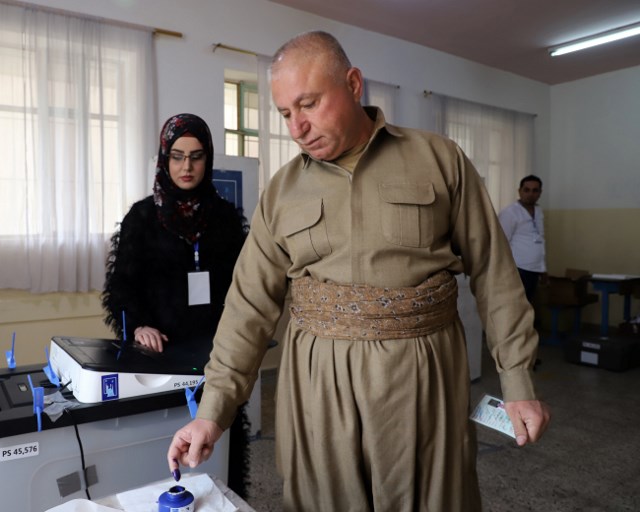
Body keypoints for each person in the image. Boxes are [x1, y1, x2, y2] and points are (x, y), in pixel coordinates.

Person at [167, 31, 550, 511]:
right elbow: (248, 304)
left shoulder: (438, 159)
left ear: (352, 84)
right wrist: (212, 412)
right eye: (286, 113)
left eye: (308, 104)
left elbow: (494, 271)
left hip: (423, 378)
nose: (297, 127)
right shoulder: (282, 192)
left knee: (432, 498)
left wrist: (517, 382)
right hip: (318, 386)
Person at [101, 113, 250, 495]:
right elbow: (120, 286)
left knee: (220, 440)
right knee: (163, 443)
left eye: (197, 156)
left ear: (209, 159)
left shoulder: (225, 218)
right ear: (164, 159)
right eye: (178, 156)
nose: (187, 166)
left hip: (214, 352)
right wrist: (136, 326)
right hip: (160, 351)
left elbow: (243, 285)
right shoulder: (142, 217)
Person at [498, 175, 547, 304]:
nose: (530, 194)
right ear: (519, 191)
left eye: (535, 190)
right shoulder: (510, 213)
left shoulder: (539, 211)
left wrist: (543, 268)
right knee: (514, 308)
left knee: (527, 306)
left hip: (534, 270)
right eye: (526, 190)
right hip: (517, 270)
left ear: (540, 193)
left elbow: (540, 240)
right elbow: (501, 243)